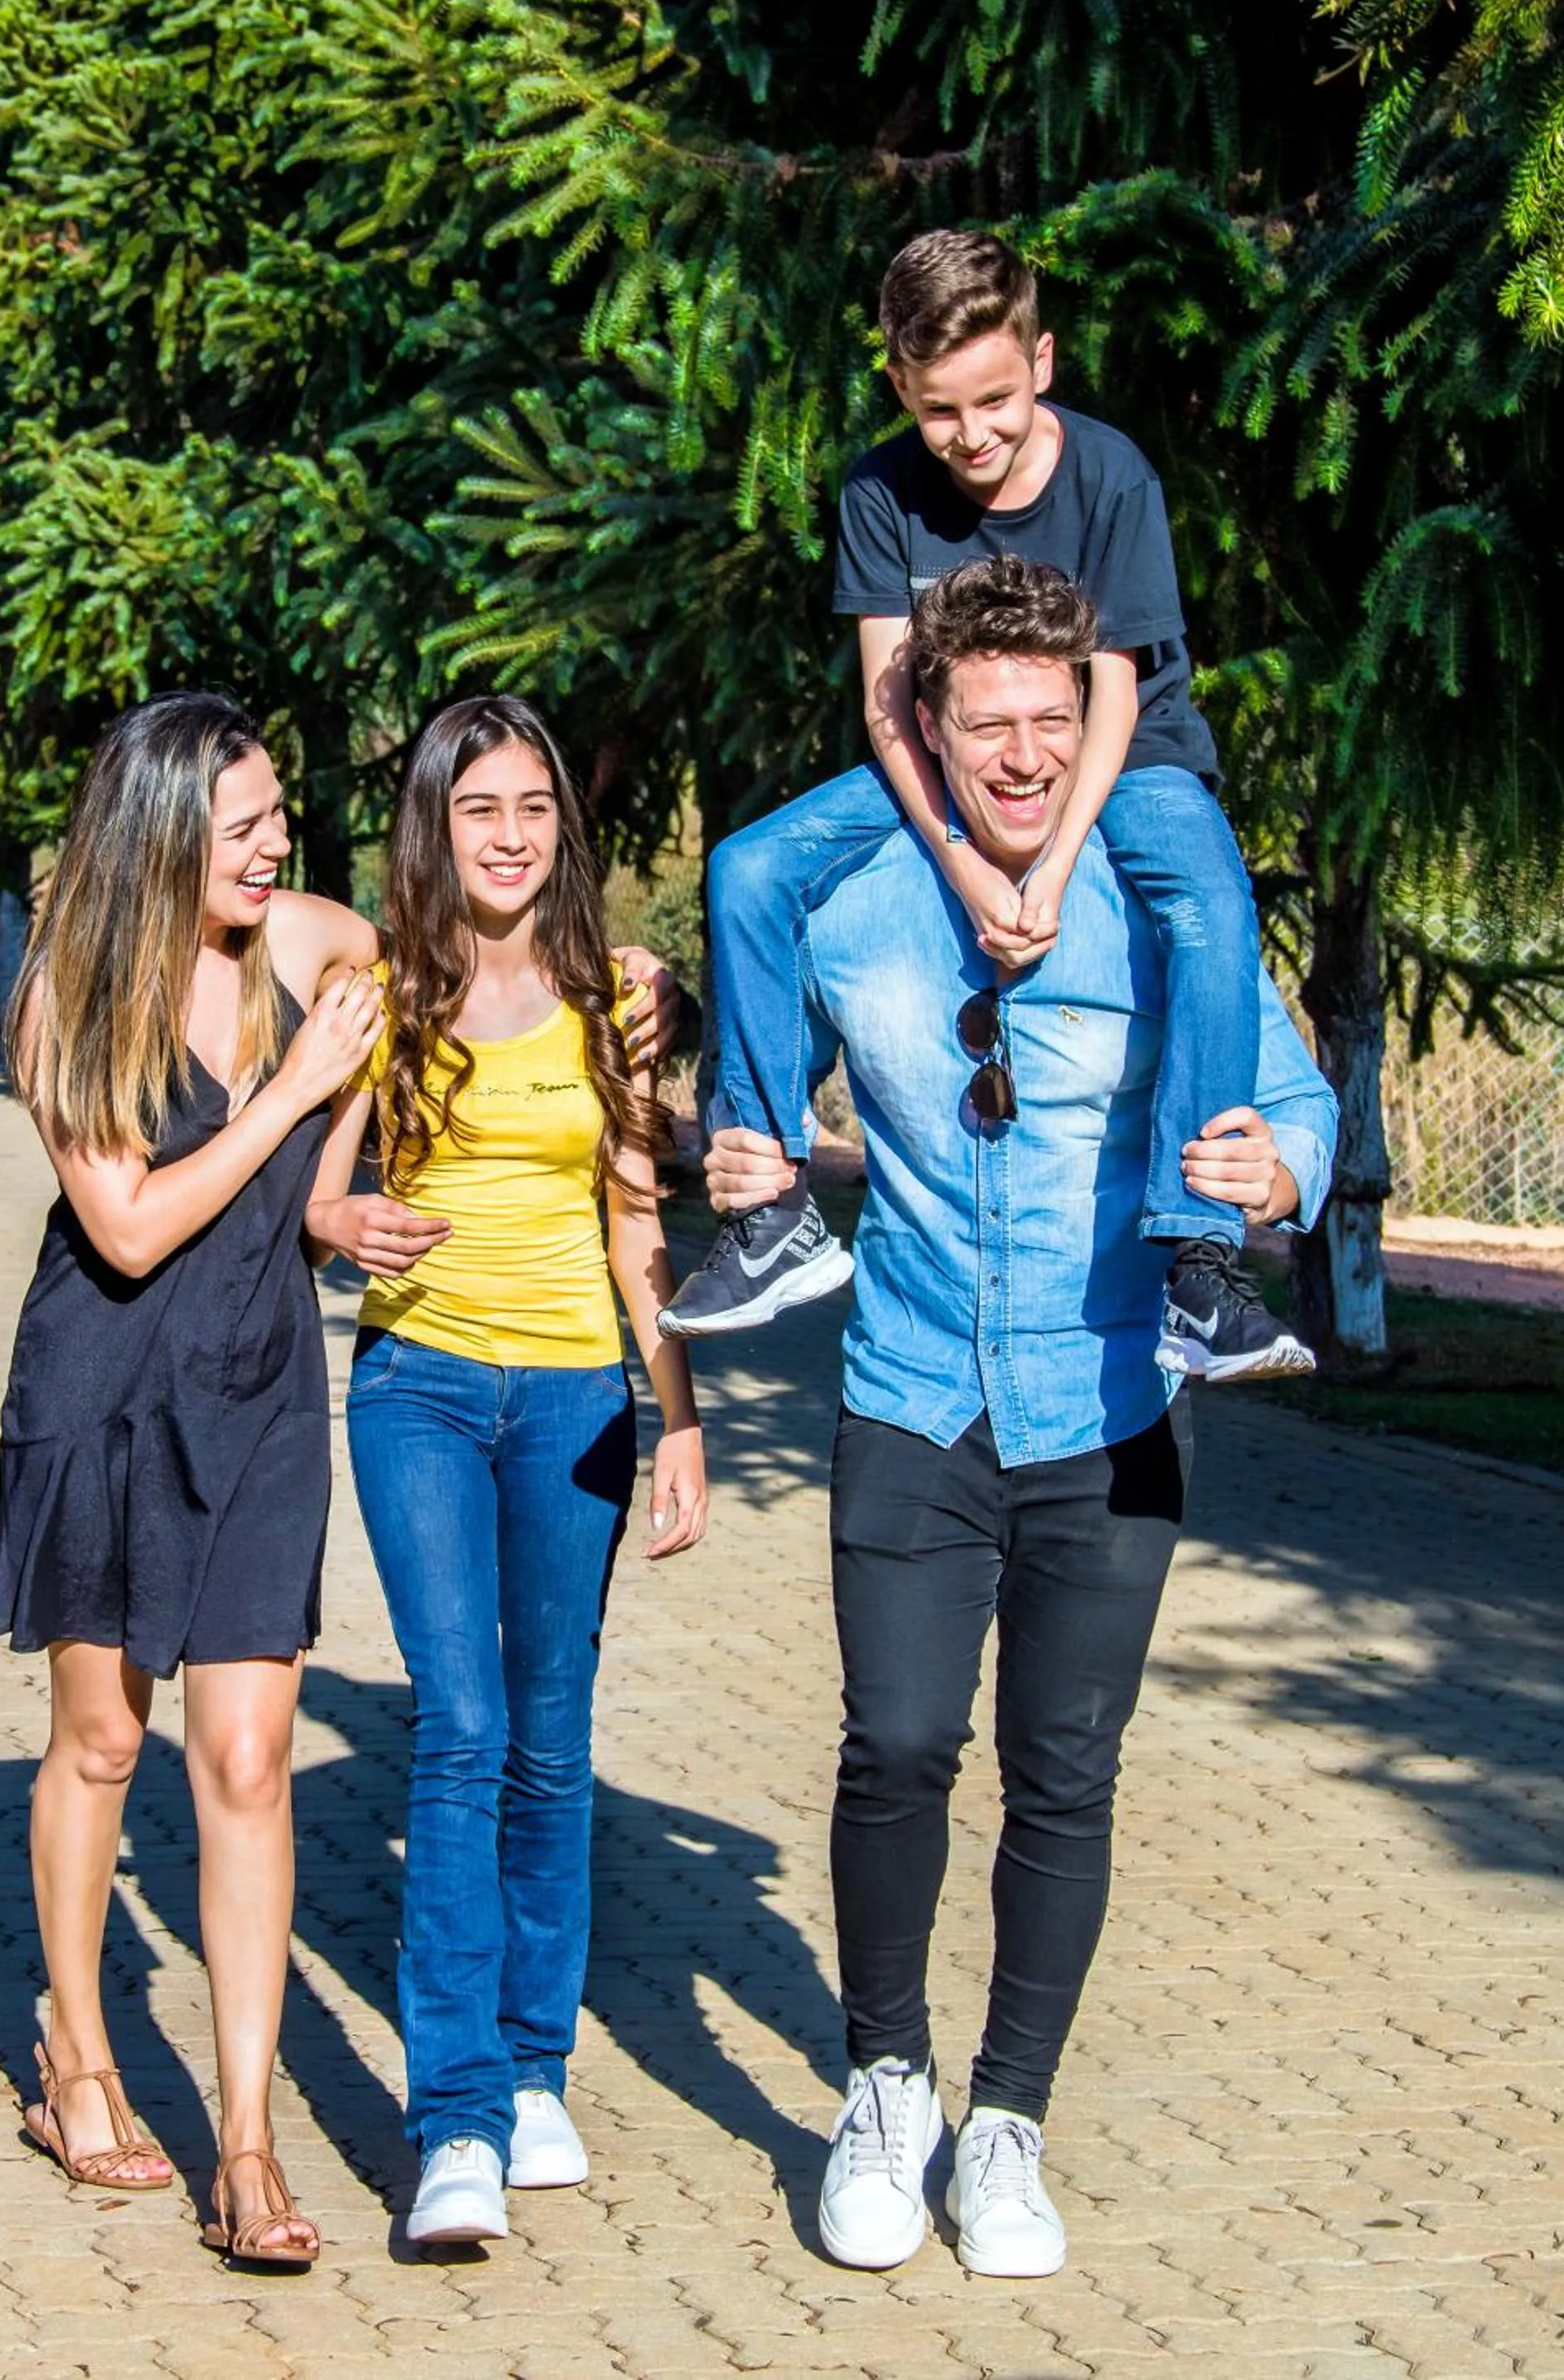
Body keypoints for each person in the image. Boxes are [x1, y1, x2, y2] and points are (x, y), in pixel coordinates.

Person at [699, 558, 1337, 2278]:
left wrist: (1281, 1170)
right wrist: (738, 1145)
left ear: (1090, 719)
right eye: (986, 722)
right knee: (897, 1743)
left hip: (1108, 1400)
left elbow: (1289, 1096)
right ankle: (883, 2082)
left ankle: (1006, 2124)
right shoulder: (849, 904)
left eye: (1052, 721)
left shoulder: (1152, 898)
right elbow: (749, 1078)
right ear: (923, 721)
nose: (1023, 755)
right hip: (908, 1389)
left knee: (1064, 1771)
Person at [665, 230, 1312, 1386]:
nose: (972, 436)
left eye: (996, 401)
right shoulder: (879, 490)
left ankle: (1200, 1263)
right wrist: (966, 865)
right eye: (939, 412)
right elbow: (884, 703)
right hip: (938, 751)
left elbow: (1112, 690)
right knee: (748, 870)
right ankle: (768, 1209)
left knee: (1210, 899)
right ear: (901, 390)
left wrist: (1049, 870)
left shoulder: (1110, 476)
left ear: (1042, 360)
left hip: (1127, 753)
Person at [0, 692, 384, 2268]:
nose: (278, 841)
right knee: (100, 1738)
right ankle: (74, 2059)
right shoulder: (65, 992)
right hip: (107, 1392)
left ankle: (250, 2144)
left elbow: (423, 954)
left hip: (267, 1389)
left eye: (282, 811)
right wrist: (288, 1100)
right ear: (159, 836)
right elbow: (127, 1227)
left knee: (251, 1761)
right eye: (244, 824)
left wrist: (332, 1196)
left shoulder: (305, 943)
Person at [305, 695, 710, 2248]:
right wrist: (342, 1226)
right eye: (480, 806)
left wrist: (678, 1418)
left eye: (534, 804)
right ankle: (454, 2114)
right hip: (414, 1390)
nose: (511, 831)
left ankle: (536, 2072)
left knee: (552, 1734)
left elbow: (634, 1229)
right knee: (459, 1729)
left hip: (571, 1405)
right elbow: (314, 1194)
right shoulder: (384, 989)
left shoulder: (614, 997)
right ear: (434, 824)